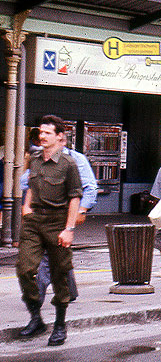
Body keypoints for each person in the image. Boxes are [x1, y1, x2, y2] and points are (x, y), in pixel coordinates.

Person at [16, 115, 83, 346]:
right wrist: (26, 206)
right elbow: (32, 185)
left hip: (57, 222)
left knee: (59, 274)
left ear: (60, 137)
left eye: (47, 133)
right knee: (25, 269)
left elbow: (75, 198)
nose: (41, 136)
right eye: (40, 132)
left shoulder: (68, 165)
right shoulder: (34, 158)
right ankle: (36, 317)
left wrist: (69, 229)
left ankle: (60, 324)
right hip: (34, 221)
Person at [23, 129, 99, 307]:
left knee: (48, 254)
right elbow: (25, 183)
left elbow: (90, 186)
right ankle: (69, 290)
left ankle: (35, 295)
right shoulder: (39, 159)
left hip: (62, 213)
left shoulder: (75, 159)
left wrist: (82, 210)